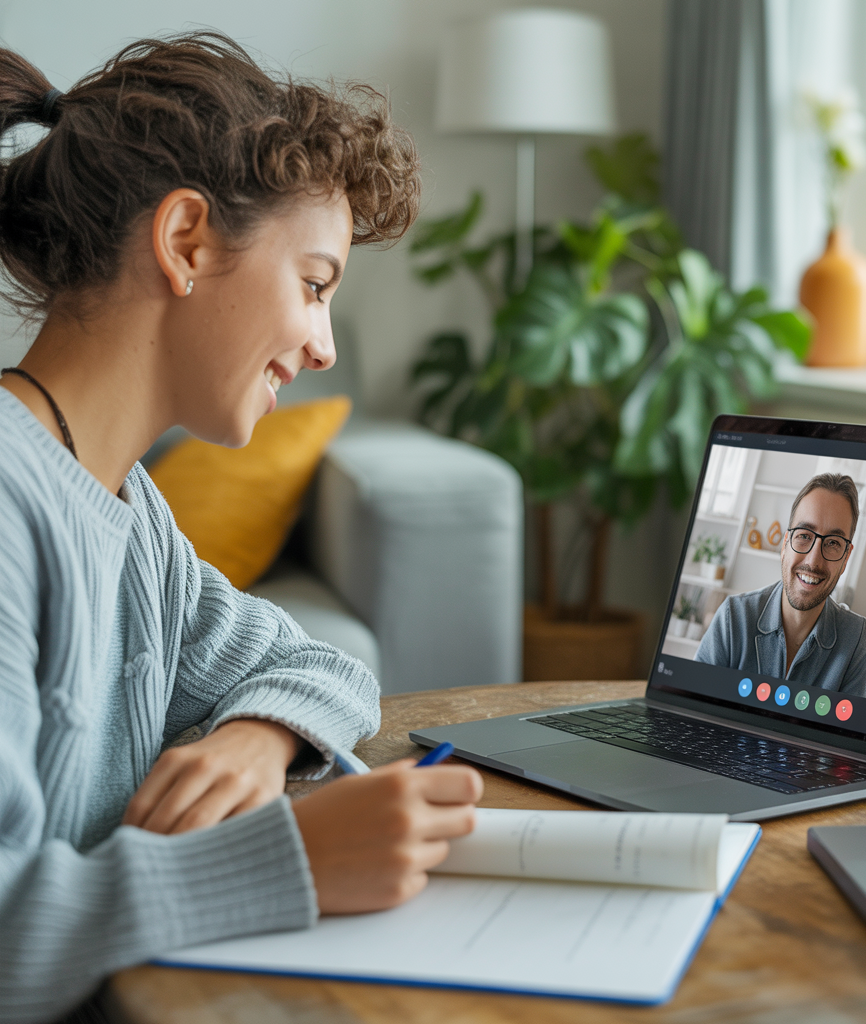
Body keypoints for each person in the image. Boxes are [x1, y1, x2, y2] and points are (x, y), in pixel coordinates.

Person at [0, 35, 483, 1023]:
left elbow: (323, 666)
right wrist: (290, 860)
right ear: (185, 242)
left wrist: (258, 738)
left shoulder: (133, 514)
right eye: (313, 284)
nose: (323, 345)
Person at [695, 473, 866, 695]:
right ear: (785, 544)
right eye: (804, 535)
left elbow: (847, 729)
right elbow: (692, 712)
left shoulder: (855, 638)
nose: (813, 561)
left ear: (846, 558)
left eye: (833, 543)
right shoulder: (734, 617)